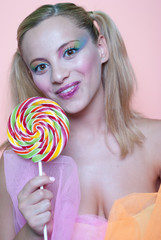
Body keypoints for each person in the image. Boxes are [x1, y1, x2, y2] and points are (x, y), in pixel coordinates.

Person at [0, 3, 161, 240]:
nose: (58, 76)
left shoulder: (156, 143)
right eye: (41, 66)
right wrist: (32, 232)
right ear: (31, 77)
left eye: (70, 52)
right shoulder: (15, 165)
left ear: (102, 48)